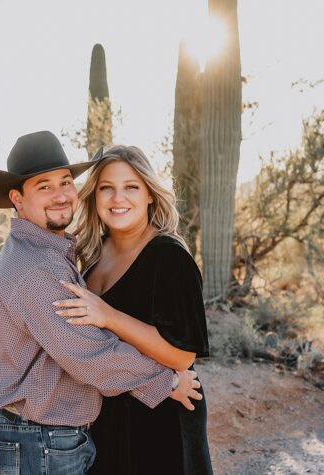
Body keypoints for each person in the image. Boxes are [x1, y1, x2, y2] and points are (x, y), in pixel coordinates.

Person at [0, 131, 202, 475]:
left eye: (65, 182)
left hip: (47, 432)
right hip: (42, 435)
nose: (60, 196)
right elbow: (85, 353)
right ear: (18, 199)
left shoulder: (50, 251)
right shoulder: (40, 267)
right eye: (43, 187)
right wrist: (166, 382)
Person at [51, 145, 212, 474]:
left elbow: (182, 357)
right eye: (106, 188)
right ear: (94, 195)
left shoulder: (169, 257)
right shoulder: (93, 252)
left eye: (131, 187)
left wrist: (109, 316)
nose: (117, 198)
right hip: (109, 415)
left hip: (162, 417)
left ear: (150, 195)